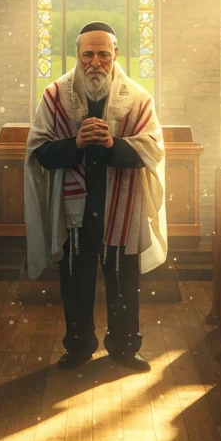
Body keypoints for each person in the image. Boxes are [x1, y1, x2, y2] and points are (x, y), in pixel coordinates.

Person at [24, 22, 167, 371]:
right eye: (88, 54)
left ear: (116, 54)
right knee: (75, 280)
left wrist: (112, 144)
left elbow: (154, 150)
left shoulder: (137, 97)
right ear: (78, 55)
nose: (95, 63)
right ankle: (78, 346)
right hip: (75, 210)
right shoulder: (55, 95)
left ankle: (124, 346)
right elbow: (40, 152)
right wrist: (76, 144)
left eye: (104, 54)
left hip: (122, 205)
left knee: (123, 281)